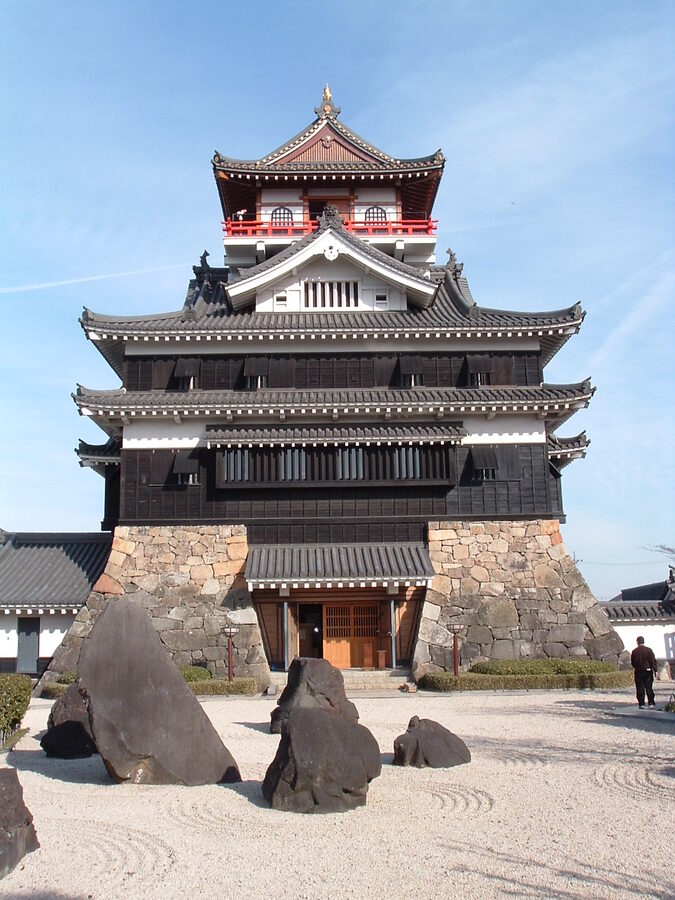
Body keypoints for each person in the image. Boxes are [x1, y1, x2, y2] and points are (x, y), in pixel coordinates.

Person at [630, 636, 658, 708]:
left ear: (637, 642)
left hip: (639, 671)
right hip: (648, 671)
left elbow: (633, 662)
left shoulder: (634, 651)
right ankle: (651, 702)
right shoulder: (649, 650)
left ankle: (641, 703)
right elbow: (652, 661)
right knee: (649, 687)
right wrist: (655, 670)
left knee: (640, 688)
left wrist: (637, 667)